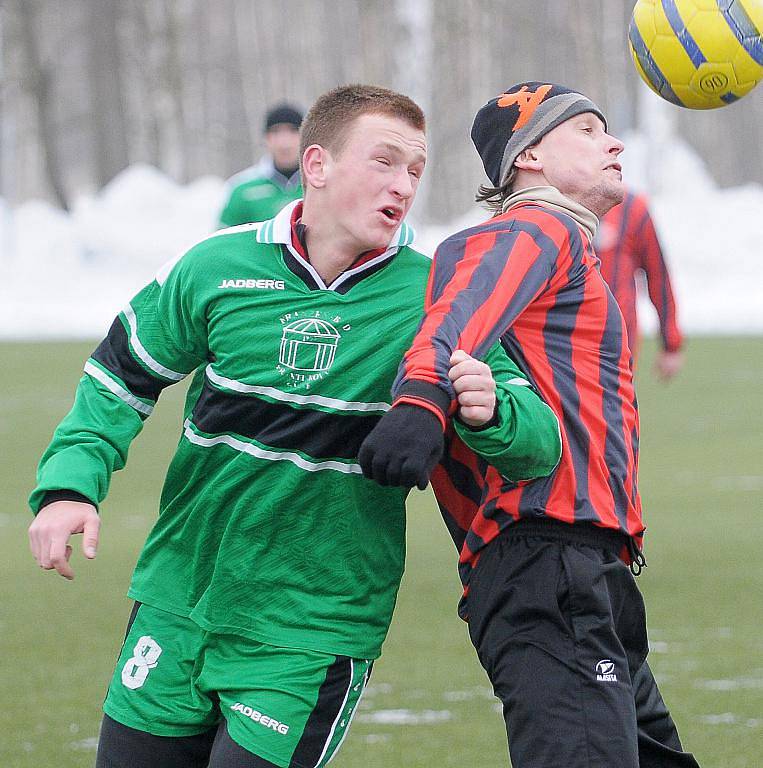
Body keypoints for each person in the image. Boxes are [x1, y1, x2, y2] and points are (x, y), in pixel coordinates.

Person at [28, 84, 561, 768]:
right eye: (385, 161)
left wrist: (490, 409)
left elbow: (536, 443)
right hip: (177, 603)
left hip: (311, 631)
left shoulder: (439, 297)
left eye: (415, 171)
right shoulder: (215, 266)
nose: (402, 184)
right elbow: (118, 379)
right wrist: (69, 485)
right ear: (316, 165)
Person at [359, 82, 700, 768]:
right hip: (546, 564)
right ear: (529, 157)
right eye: (588, 130)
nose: (613, 143)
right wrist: (421, 400)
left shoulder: (563, 245)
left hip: (584, 570)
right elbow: (452, 323)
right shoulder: (527, 230)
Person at [597, 188, 684, 379]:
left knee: (613, 404)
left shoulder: (632, 208)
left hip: (617, 339)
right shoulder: (553, 204)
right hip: (561, 338)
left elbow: (658, 275)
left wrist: (671, 342)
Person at [218, 103, 304, 227]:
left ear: (305, 136)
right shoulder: (242, 188)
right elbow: (222, 240)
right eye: (276, 132)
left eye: (293, 130)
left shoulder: (321, 184)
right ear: (266, 138)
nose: (285, 142)